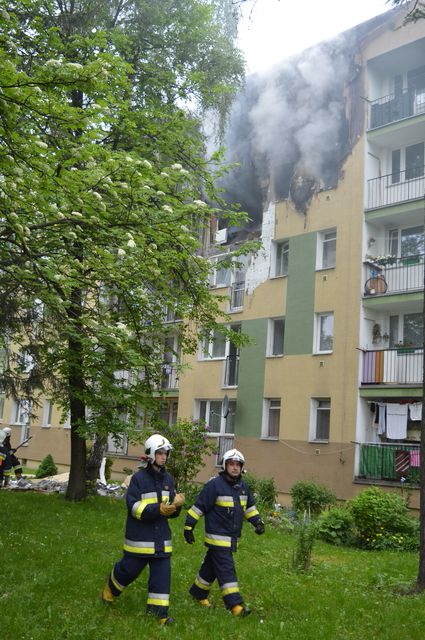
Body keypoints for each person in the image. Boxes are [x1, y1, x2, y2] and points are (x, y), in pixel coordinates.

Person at [101, 433, 185, 626]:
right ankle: (110, 588)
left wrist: (176, 506)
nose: (164, 456)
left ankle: (159, 615)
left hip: (161, 541)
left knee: (161, 579)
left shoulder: (168, 480)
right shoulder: (138, 479)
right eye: (160, 452)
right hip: (139, 540)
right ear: (150, 454)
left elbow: (170, 512)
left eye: (166, 453)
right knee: (126, 572)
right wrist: (158, 509)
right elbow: (133, 507)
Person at [184, 448, 265, 616]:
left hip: (231, 538)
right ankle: (235, 606)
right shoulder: (214, 485)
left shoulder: (243, 487)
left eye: (238, 464)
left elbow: (249, 508)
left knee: (211, 567)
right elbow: (199, 506)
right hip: (217, 538)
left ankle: (198, 593)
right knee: (226, 570)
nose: (235, 467)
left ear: (242, 467)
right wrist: (188, 527)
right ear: (225, 466)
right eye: (231, 464)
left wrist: (258, 522)